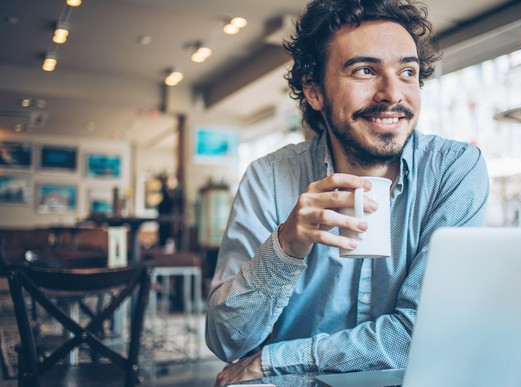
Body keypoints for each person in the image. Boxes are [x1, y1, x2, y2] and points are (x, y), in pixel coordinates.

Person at [205, 0, 490, 385]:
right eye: (365, 70)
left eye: (408, 71)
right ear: (314, 90)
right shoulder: (269, 178)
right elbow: (227, 340)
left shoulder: (454, 170)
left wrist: (275, 360)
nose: (392, 94)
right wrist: (286, 246)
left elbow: (423, 335)